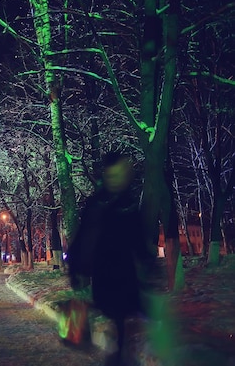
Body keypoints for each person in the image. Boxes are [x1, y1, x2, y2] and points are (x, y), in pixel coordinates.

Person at [67, 152, 154, 365]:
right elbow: (82, 238)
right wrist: (74, 269)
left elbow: (138, 238)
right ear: (106, 175)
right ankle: (118, 353)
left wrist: (149, 262)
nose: (116, 180)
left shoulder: (130, 203)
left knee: (126, 317)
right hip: (104, 274)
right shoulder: (96, 204)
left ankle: (122, 352)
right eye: (112, 175)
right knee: (116, 314)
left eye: (120, 174)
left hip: (126, 273)